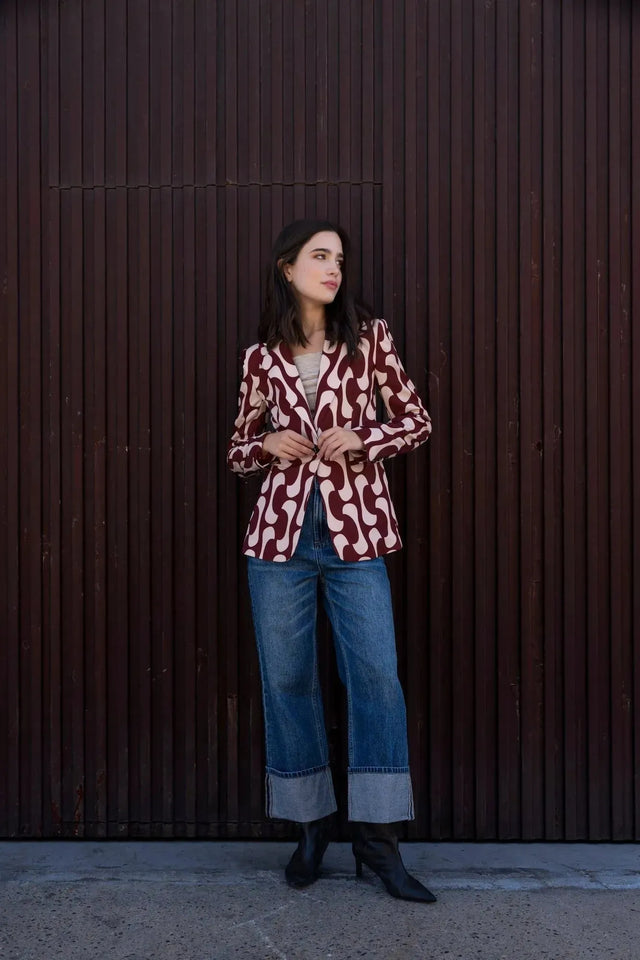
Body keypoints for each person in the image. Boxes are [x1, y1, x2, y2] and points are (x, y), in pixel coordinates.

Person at [227, 219, 436, 903]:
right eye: (320, 256)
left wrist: (364, 435)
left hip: (356, 538)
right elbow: (237, 450)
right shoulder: (261, 357)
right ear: (286, 267)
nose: (333, 268)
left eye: (340, 258)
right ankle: (311, 827)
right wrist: (269, 445)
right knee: (288, 681)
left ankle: (378, 844)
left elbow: (415, 421)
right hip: (280, 542)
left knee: (376, 677)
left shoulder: (369, 340)